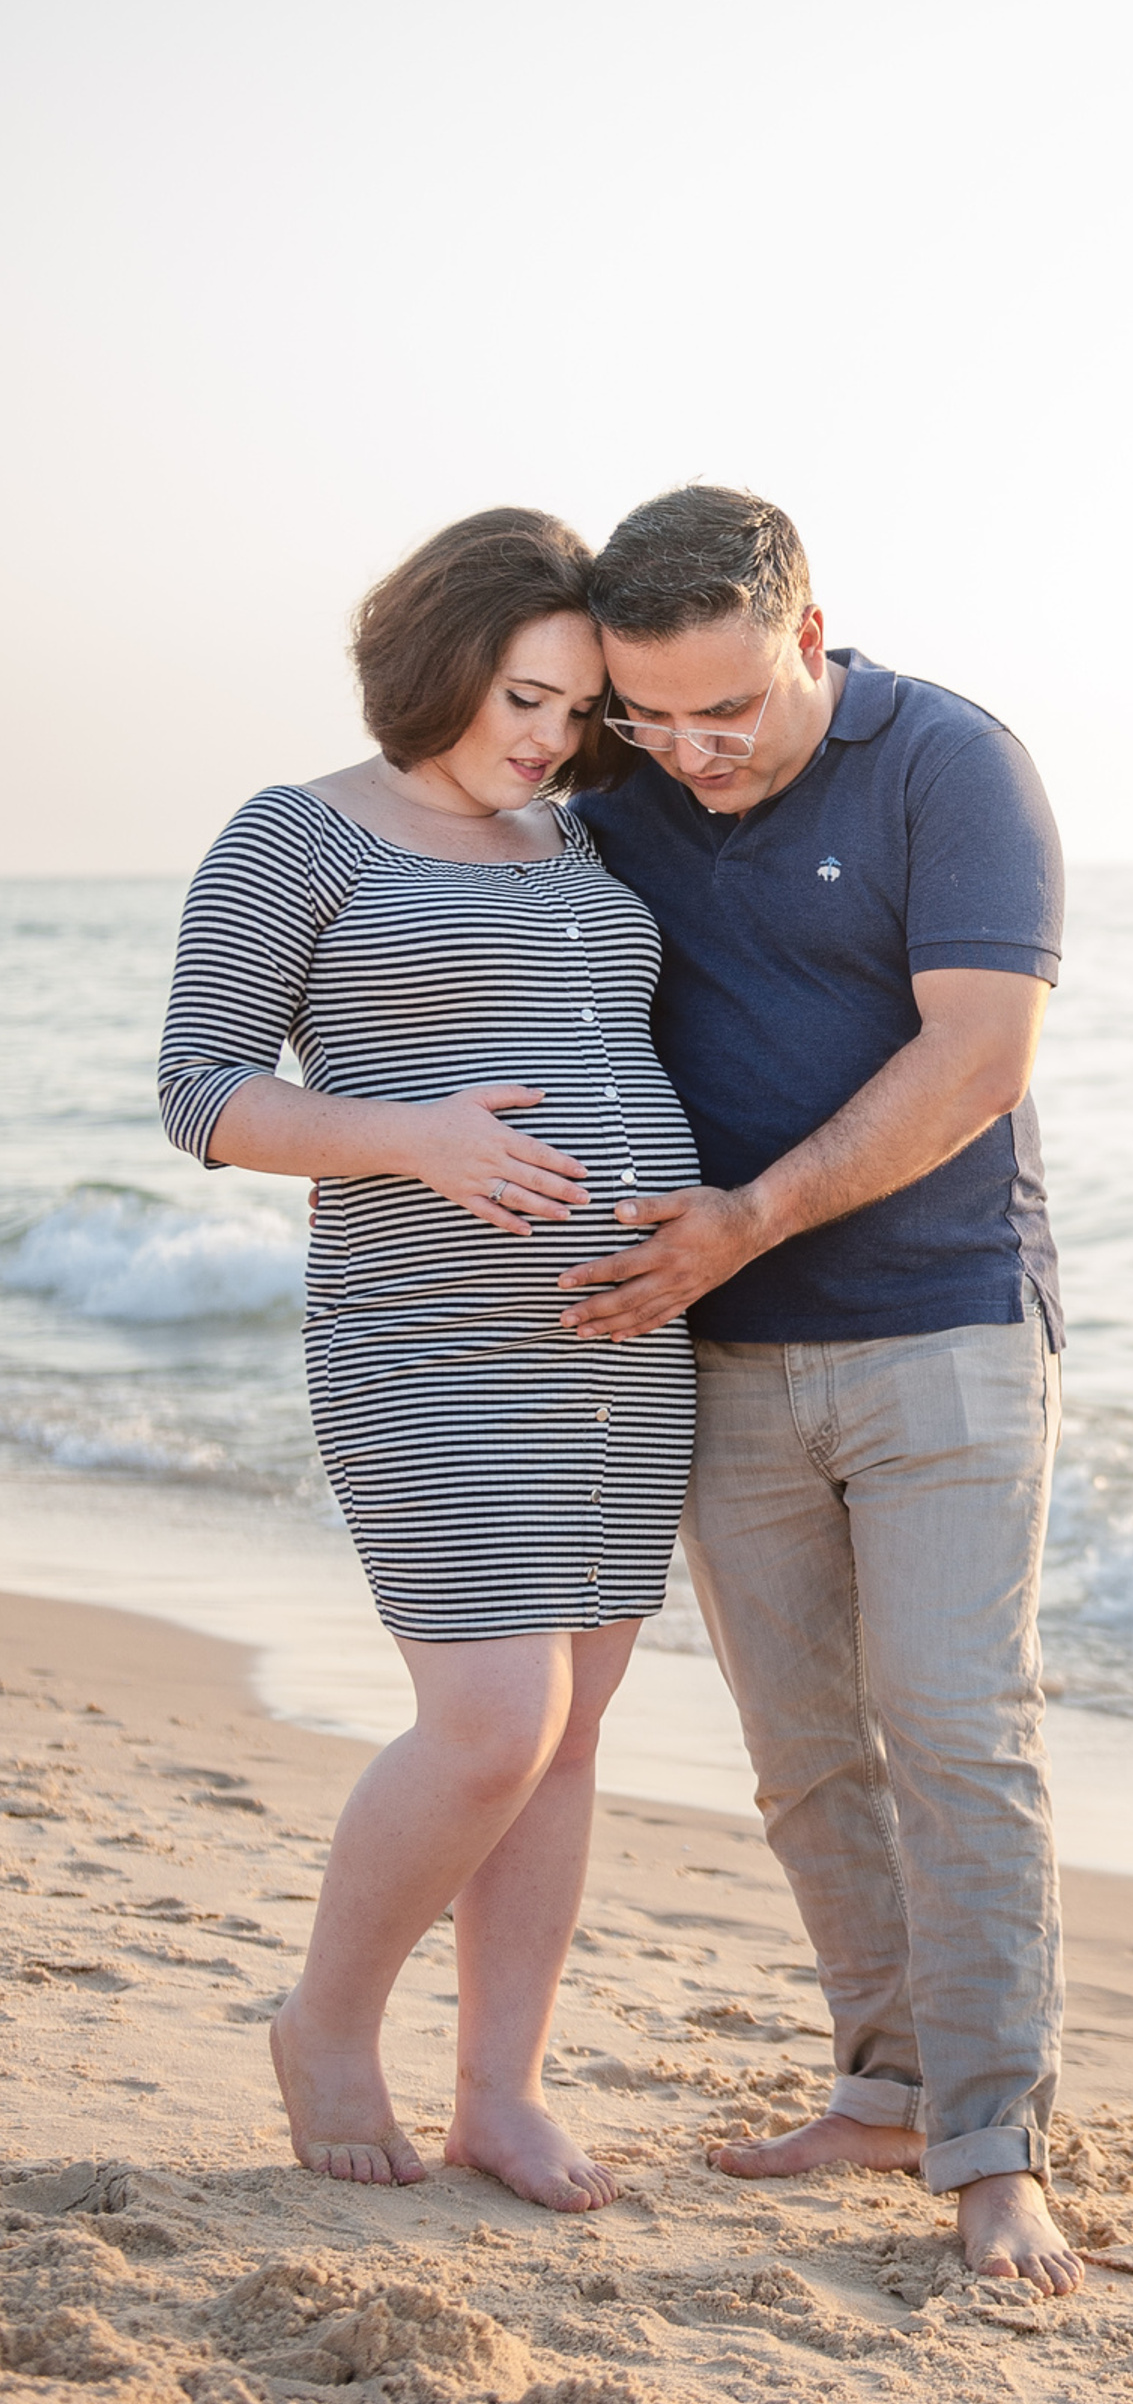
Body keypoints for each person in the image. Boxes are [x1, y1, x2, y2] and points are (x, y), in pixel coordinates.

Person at [559, 485, 1078, 2293]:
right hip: (720, 1360)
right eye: (649, 715)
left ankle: (993, 2145)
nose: (688, 753)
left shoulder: (948, 760)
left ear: (809, 634)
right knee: (803, 1754)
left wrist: (748, 1219)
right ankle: (883, 2081)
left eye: (727, 711)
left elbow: (983, 1053)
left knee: (955, 1727)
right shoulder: (616, 782)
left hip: (941, 1324)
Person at [157, 509, 696, 2214]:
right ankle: (325, 2026)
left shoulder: (581, 840)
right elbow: (206, 1095)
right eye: (524, 694)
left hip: (623, 1347)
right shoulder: (297, 839)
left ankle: (502, 2093)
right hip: (431, 1339)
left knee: (574, 1729)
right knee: (489, 1724)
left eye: (574, 709)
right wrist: (415, 1140)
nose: (546, 737)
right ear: (442, 656)